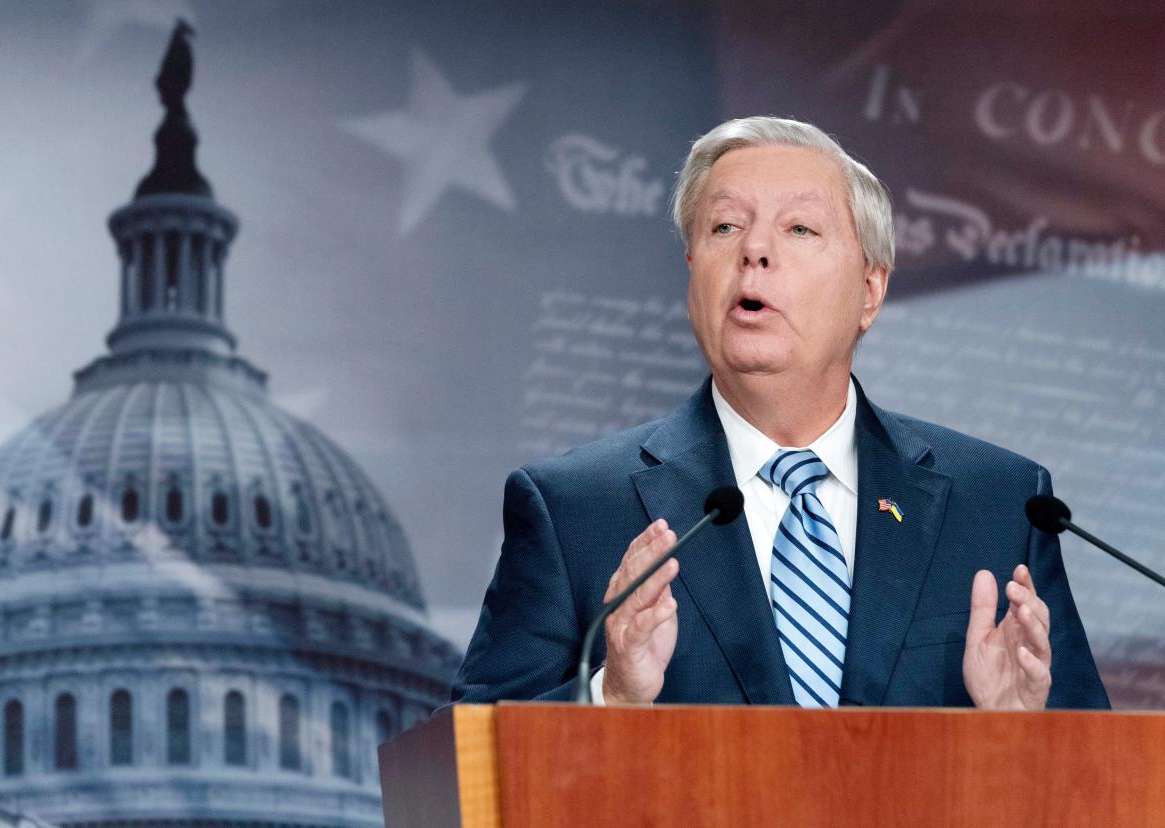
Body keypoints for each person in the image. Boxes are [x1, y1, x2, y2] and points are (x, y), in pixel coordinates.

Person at [452, 116, 1109, 709]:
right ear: (692, 272)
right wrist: (610, 698)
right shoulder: (574, 509)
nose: (753, 252)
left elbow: (1099, 784)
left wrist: (1022, 738)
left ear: (870, 290)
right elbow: (464, 772)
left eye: (799, 228)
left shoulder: (1000, 505)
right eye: (725, 227)